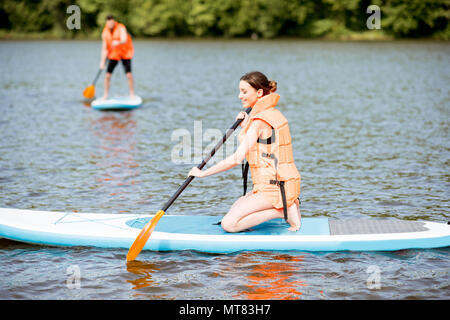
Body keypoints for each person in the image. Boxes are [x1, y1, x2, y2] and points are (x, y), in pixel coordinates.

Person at [189, 71, 301, 232]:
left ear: (260, 93)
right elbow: (264, 144)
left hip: (273, 188)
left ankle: (282, 210)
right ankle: (287, 204)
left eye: (244, 91)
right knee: (235, 208)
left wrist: (202, 174)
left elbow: (237, 158)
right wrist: (247, 126)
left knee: (229, 224)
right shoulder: (270, 114)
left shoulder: (259, 122)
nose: (240, 96)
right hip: (279, 184)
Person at [99, 15, 135, 100]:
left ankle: (132, 94)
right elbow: (104, 49)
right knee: (107, 75)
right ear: (106, 23)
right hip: (114, 54)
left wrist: (118, 42)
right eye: (108, 23)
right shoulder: (105, 32)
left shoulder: (121, 27)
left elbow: (124, 39)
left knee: (129, 75)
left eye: (111, 22)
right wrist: (102, 62)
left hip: (125, 53)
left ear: (114, 22)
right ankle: (105, 95)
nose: (110, 24)